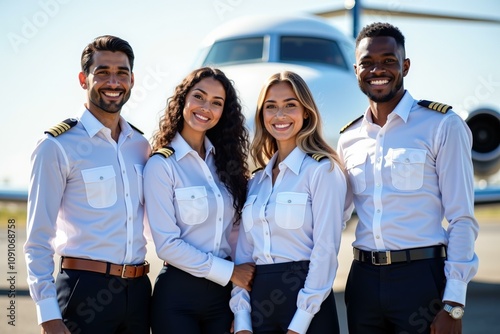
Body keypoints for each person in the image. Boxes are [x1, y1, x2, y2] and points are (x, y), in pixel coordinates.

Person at [337, 22, 479, 334]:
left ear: (405, 66)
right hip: (362, 281)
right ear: (356, 69)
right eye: (368, 63)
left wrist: (453, 304)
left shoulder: (443, 125)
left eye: (388, 60)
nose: (378, 70)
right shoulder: (348, 138)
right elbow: (334, 216)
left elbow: (462, 219)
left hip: (420, 280)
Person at [23, 35, 152, 334]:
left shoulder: (141, 146)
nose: (113, 81)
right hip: (85, 290)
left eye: (122, 73)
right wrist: (48, 315)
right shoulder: (57, 146)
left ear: (132, 80)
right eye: (102, 72)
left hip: (138, 293)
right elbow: (38, 240)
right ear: (84, 79)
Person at [230, 71, 349, 334]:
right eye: (271, 107)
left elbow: (325, 249)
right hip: (260, 308)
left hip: (308, 305)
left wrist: (300, 322)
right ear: (262, 115)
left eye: (290, 105)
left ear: (306, 113)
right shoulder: (256, 182)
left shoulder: (322, 171)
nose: (279, 115)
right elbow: (244, 256)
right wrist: (242, 320)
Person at [144, 66, 255, 334]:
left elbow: (237, 234)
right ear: (183, 100)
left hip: (222, 297)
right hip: (178, 297)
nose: (206, 107)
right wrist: (230, 272)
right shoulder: (162, 165)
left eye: (217, 103)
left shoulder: (227, 166)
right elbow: (168, 245)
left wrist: (238, 298)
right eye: (199, 97)